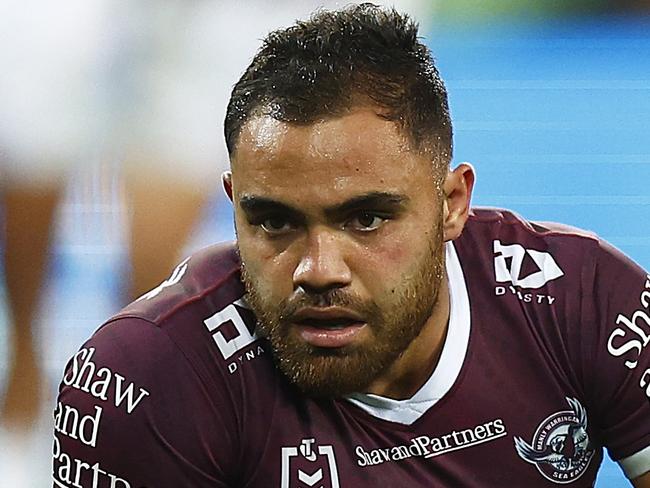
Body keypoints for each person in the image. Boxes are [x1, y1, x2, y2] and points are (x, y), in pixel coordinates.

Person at [52, 4, 650, 487]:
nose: (317, 270)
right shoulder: (153, 379)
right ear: (235, 204)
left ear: (451, 205)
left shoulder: (590, 304)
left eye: (367, 219)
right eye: (275, 223)